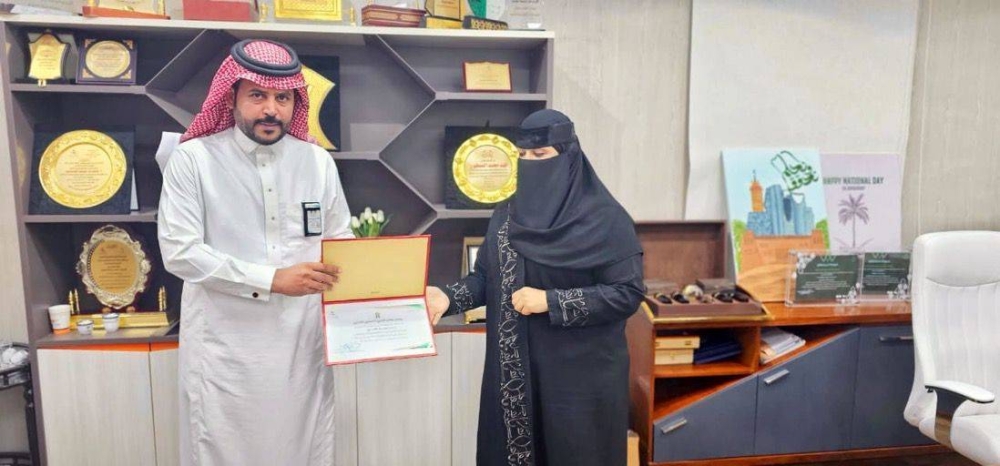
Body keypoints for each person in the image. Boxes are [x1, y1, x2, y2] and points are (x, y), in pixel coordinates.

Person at [158, 39, 353, 466]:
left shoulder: (317, 162)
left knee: (302, 448)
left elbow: (341, 241)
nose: (271, 110)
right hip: (225, 349)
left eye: (283, 99)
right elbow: (180, 252)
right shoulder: (193, 160)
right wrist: (273, 280)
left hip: (302, 346)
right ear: (231, 97)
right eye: (257, 96)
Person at [427, 109, 645, 466]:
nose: (529, 163)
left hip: (580, 384)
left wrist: (551, 301)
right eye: (522, 155)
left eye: (540, 154)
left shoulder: (606, 219)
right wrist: (447, 298)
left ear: (568, 156)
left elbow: (627, 292)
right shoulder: (506, 215)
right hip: (516, 376)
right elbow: (486, 279)